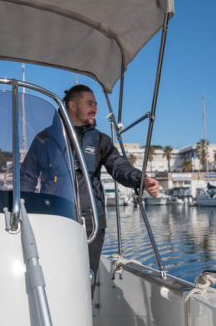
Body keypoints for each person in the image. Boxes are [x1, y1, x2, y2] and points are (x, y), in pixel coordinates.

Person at [23, 84, 158, 272]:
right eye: (89, 103)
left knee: (88, 276)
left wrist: (141, 180)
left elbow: (119, 167)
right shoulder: (44, 139)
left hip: (92, 223)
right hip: (54, 219)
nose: (95, 109)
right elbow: (27, 177)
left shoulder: (101, 141)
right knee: (55, 273)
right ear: (72, 105)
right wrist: (23, 213)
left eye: (95, 104)